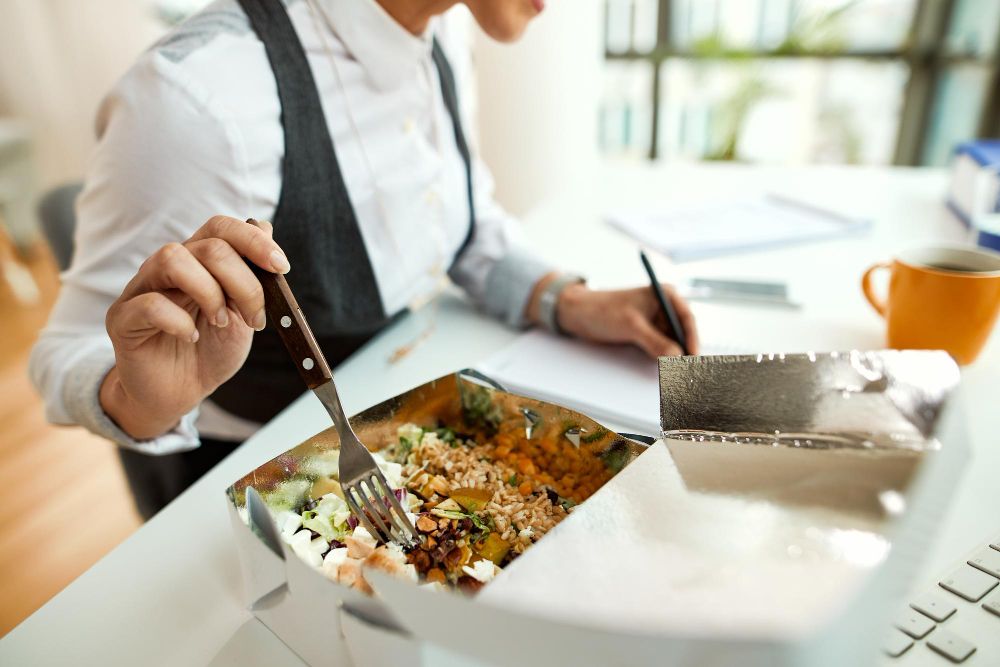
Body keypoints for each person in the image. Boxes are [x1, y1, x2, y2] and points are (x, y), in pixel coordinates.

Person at [30, 0, 699, 519]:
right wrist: (135, 397)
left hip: (399, 428)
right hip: (256, 480)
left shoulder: (440, 33)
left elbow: (459, 219)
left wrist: (567, 301)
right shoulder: (201, 99)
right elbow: (64, 348)